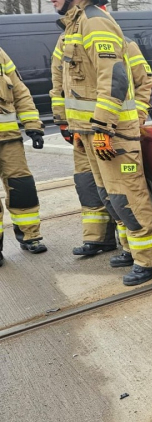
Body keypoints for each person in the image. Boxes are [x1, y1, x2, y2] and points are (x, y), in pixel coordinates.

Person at [51, 0, 152, 285]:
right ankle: (131, 250)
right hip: (91, 132)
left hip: (112, 133)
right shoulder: (73, 27)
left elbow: (115, 78)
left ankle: (151, 260)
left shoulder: (95, 21)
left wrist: (103, 126)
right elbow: (71, 87)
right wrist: (74, 127)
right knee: (110, 197)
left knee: (128, 196)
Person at [0, 45, 47, 267]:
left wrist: (33, 125)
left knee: (23, 188)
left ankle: (31, 237)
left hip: (9, 139)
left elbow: (19, 91)